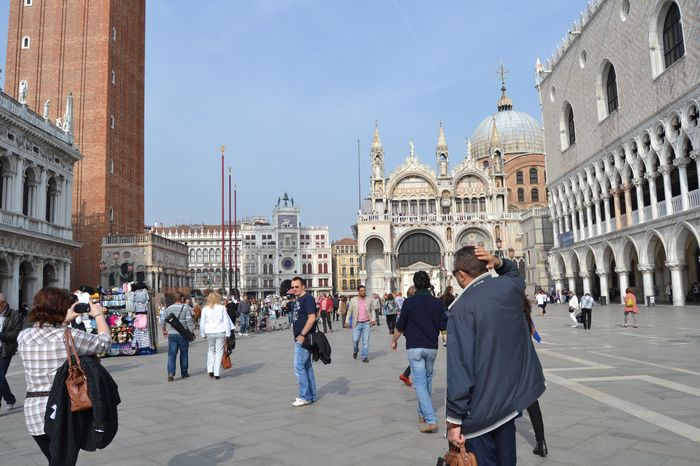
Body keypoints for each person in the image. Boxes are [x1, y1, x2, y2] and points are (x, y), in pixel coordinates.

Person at [446, 247, 545, 464]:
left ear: (461, 275)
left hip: (480, 413)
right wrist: (498, 262)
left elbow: (460, 368)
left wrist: (453, 420)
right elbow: (515, 274)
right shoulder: (509, 287)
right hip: (508, 405)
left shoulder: (461, 308)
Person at [18, 288, 111, 464]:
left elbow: (47, 333)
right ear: (62, 308)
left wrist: (64, 320)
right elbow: (104, 343)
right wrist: (99, 315)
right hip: (64, 412)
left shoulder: (23, 337)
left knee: (56, 460)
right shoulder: (70, 336)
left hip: (34, 413)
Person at [391, 271, 447, 433]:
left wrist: (394, 340)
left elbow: (400, 325)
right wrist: (447, 341)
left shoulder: (409, 302)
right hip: (431, 347)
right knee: (427, 380)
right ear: (428, 283)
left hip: (415, 347)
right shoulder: (437, 303)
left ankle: (431, 419)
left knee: (420, 383)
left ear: (415, 284)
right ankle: (422, 413)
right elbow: (443, 327)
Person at [521, 292, 548, 457]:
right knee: (532, 401)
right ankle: (541, 442)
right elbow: (532, 331)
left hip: (510, 362)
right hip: (528, 361)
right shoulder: (525, 314)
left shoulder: (506, 314)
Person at [289, 277, 318, 407]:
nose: (294, 289)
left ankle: (304, 396)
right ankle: (311, 395)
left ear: (303, 287)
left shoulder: (308, 299)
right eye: (293, 287)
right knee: (307, 367)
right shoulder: (299, 299)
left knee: (298, 367)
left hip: (304, 338)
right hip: (301, 337)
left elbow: (312, 318)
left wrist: (302, 334)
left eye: (297, 286)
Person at [200, 292, 234, 379]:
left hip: (210, 332)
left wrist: (202, 333)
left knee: (211, 350)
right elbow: (226, 321)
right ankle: (216, 372)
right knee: (219, 351)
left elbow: (202, 323)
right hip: (220, 331)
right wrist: (228, 333)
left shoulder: (205, 309)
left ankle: (210, 369)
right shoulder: (222, 308)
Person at [162, 293, 195, 381]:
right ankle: (184, 373)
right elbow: (189, 322)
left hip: (172, 334)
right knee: (184, 354)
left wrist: (164, 329)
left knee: (171, 355)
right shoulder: (185, 308)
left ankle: (170, 373)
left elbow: (163, 320)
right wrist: (191, 332)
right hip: (183, 334)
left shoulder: (169, 308)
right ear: (182, 299)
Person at [0, 293, 23, 413]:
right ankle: (10, 399)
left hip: (5, 351)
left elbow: (15, 335)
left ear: (4, 304)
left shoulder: (14, 315)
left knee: (0, 377)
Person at [346, 285, 375, 362]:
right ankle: (356, 350)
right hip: (357, 324)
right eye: (362, 291)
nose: (363, 292)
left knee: (365, 341)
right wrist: (346, 321)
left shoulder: (368, 300)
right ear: (358, 291)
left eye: (364, 290)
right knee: (355, 340)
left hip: (366, 323)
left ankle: (364, 356)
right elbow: (349, 311)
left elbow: (372, 310)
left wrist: (373, 319)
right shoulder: (353, 300)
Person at [398, 286, 416, 387]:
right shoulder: (412, 304)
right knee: (418, 357)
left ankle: (406, 374)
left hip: (408, 332)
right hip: (414, 332)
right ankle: (406, 374)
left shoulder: (407, 303)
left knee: (416, 356)